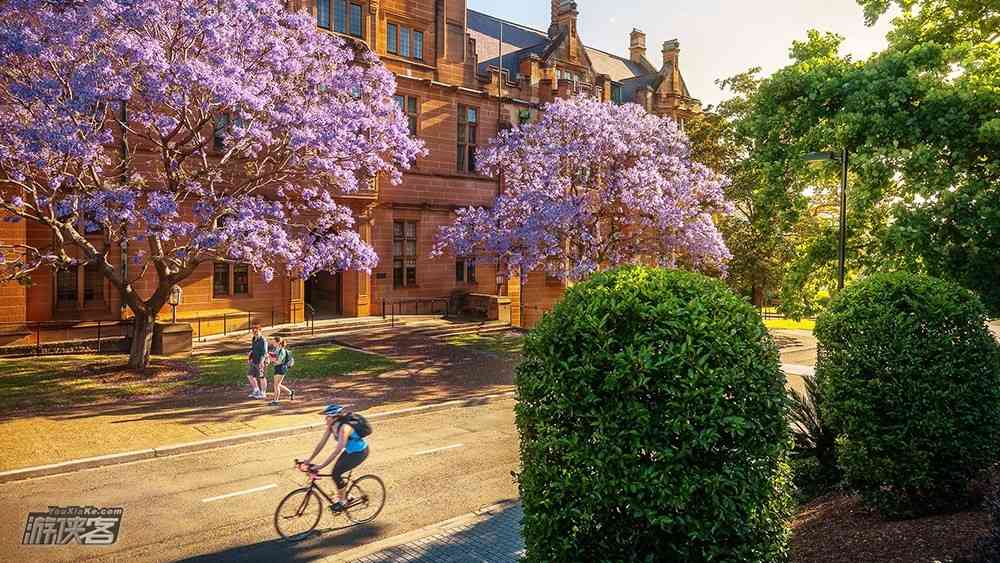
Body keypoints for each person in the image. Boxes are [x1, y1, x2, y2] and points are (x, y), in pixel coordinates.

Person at [298, 404, 369, 512]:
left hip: (359, 453)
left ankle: (343, 502)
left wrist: (321, 466)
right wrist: (309, 460)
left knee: (335, 473)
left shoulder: (344, 429)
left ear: (334, 418)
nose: (325, 419)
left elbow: (337, 451)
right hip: (350, 451)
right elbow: (321, 444)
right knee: (336, 474)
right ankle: (347, 496)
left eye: (327, 417)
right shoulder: (331, 426)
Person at [269, 337, 295, 405]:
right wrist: (271, 357)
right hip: (277, 368)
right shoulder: (276, 349)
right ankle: (290, 392)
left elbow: (279, 361)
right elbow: (274, 358)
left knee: (276, 385)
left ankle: (276, 401)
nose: (273, 343)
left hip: (281, 368)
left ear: (278, 343)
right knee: (278, 384)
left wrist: (271, 359)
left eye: (274, 342)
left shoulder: (282, 351)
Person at [247, 324, 268, 399]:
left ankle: (263, 393)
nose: (255, 333)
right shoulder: (254, 339)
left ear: (260, 331)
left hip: (261, 361)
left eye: (256, 331)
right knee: (250, 375)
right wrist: (250, 356)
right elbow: (253, 349)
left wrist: (262, 362)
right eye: (253, 331)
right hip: (254, 360)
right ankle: (256, 390)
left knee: (262, 377)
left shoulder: (263, 340)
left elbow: (264, 353)